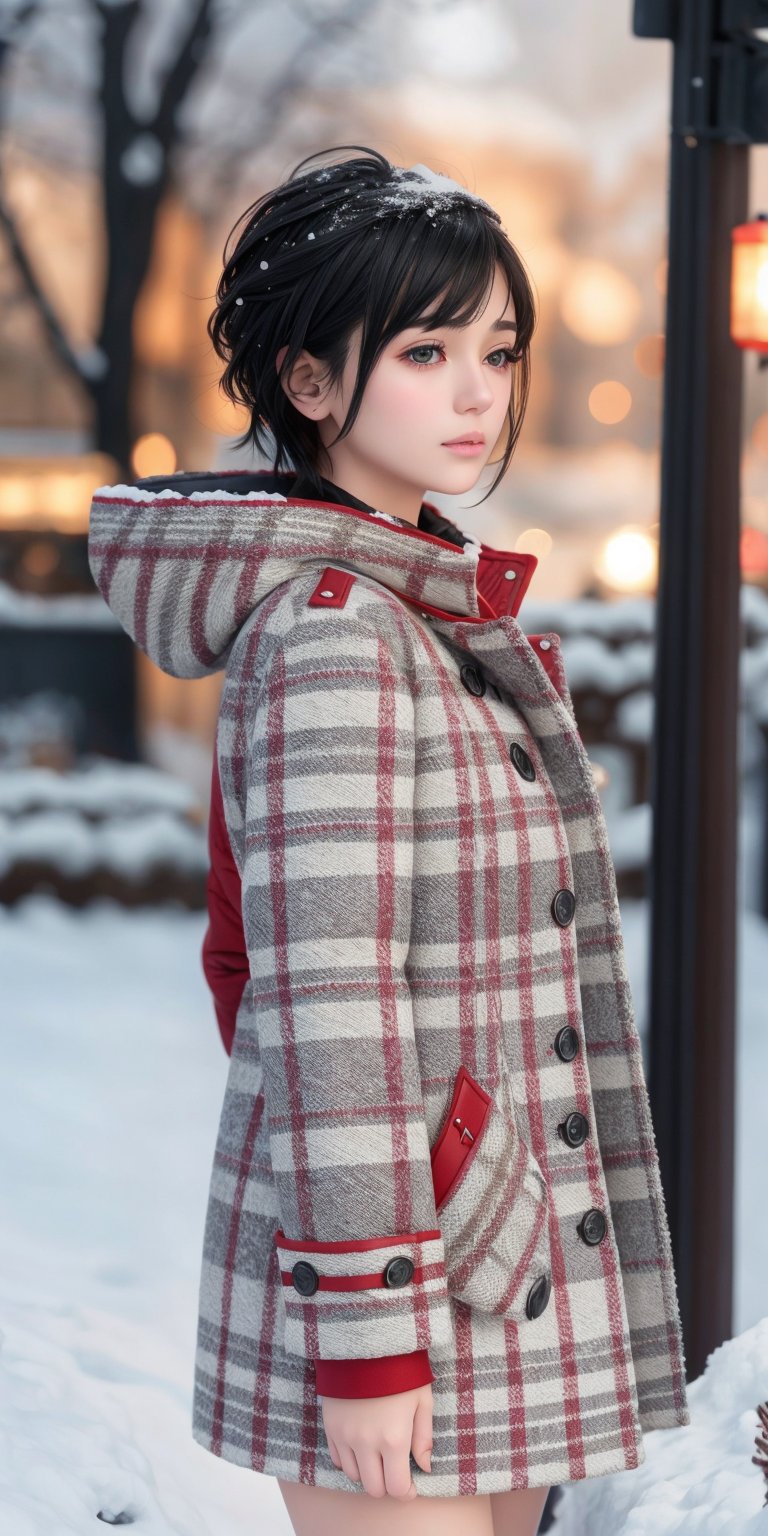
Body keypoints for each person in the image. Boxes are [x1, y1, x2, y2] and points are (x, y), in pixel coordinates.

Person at [87, 145, 691, 1536]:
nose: (481, 391)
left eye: (499, 347)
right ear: (310, 383)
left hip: (483, 1254)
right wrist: (367, 1337)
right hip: (394, 1285)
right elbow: (324, 1005)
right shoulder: (338, 641)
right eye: (427, 351)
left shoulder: (419, 614)